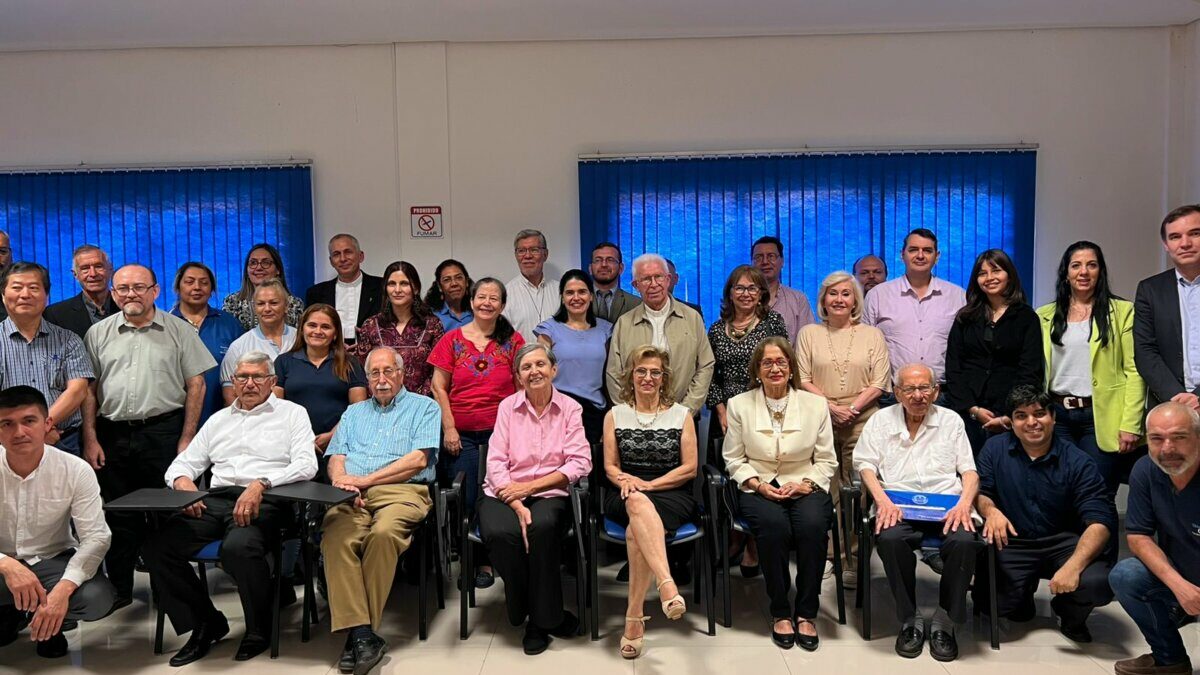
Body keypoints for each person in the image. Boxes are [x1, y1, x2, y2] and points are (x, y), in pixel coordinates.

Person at [143, 351, 317, 666]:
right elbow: (183, 464)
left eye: (257, 377)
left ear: (272, 381)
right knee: (157, 547)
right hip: (216, 498)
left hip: (268, 499)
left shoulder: (292, 414)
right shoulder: (219, 420)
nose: (249, 384)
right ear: (233, 382)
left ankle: (259, 629)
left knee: (239, 547)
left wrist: (260, 484)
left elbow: (307, 464)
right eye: (242, 377)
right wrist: (183, 483)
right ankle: (205, 622)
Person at [82, 264, 216, 608]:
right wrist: (91, 438)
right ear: (113, 294)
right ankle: (121, 592)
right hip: (112, 433)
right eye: (123, 289)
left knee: (167, 513)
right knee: (117, 515)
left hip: (164, 431)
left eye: (139, 287)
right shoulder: (98, 333)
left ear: (155, 291)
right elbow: (90, 391)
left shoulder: (180, 330)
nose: (131, 295)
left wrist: (187, 439)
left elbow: (196, 385)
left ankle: (168, 590)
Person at [321, 347, 441, 675]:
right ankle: (365, 637)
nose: (382, 379)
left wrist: (367, 479)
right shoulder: (354, 413)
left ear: (402, 374)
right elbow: (336, 456)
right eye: (374, 373)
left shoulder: (425, 407)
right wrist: (343, 481)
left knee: (383, 534)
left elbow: (418, 460)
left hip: (403, 492)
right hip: (352, 493)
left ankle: (358, 633)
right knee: (336, 537)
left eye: (388, 371)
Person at [852, 363, 984, 662]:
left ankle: (944, 620)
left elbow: (970, 471)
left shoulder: (951, 421)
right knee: (889, 539)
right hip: (896, 506)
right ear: (897, 392)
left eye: (925, 388)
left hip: (946, 507)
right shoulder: (880, 420)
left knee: (964, 541)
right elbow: (865, 466)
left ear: (936, 391)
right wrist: (882, 500)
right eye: (909, 389)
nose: (918, 395)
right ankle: (910, 618)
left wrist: (965, 504)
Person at [974, 386, 1116, 643]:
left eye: (1039, 414)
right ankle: (1021, 596)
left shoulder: (1078, 461)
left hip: (1062, 541)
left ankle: (1068, 612)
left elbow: (1100, 521)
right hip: (1012, 539)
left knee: (1098, 582)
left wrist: (1073, 566)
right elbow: (981, 491)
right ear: (1011, 421)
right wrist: (991, 511)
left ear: (1053, 417)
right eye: (1021, 415)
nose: (1031, 422)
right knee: (995, 605)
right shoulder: (993, 450)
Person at [723, 337, 837, 651]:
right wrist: (758, 485)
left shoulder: (815, 404)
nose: (775, 368)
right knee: (773, 528)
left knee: (813, 527)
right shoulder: (739, 404)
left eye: (781, 362)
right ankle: (780, 610)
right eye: (767, 363)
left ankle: (807, 612)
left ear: (791, 368)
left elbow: (827, 459)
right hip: (759, 484)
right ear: (757, 370)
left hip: (804, 481)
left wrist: (807, 484)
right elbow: (733, 459)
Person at [478, 344, 590, 655]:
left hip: (549, 492)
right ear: (518, 376)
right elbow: (496, 461)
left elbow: (579, 463)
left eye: (541, 364)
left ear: (554, 370)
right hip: (503, 491)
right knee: (502, 533)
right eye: (526, 367)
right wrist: (515, 502)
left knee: (543, 527)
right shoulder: (507, 407)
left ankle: (538, 622)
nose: (534, 371)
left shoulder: (570, 408)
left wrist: (529, 490)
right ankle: (541, 611)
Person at [0, 386, 114, 659]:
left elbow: (96, 537)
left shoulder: (75, 470)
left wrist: (62, 591)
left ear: (47, 424)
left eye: (29, 421)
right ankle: (15, 613)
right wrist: (6, 564)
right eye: (7, 424)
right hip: (2, 566)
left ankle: (52, 621)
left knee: (96, 597)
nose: (19, 432)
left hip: (51, 562)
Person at [428, 277, 525, 588]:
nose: (486, 302)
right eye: (481, 297)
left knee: (497, 496)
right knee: (467, 499)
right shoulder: (452, 340)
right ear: (471, 302)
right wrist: (450, 428)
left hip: (503, 435)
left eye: (493, 298)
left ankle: (499, 559)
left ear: (502, 305)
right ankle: (474, 562)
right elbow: (437, 386)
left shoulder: (513, 341)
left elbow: (524, 386)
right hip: (464, 435)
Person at [795, 271, 890, 587]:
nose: (839, 299)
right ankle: (828, 554)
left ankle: (854, 556)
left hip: (863, 418)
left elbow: (880, 381)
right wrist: (832, 408)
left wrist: (851, 409)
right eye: (832, 293)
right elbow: (803, 378)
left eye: (846, 294)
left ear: (855, 300)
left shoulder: (872, 335)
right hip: (819, 418)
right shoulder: (809, 333)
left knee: (859, 490)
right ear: (823, 299)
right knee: (824, 487)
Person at [604, 346, 697, 659]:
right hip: (624, 490)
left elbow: (690, 468)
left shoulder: (681, 415)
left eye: (655, 372)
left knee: (635, 531)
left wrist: (652, 484)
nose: (647, 377)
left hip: (671, 492)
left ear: (664, 378)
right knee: (636, 503)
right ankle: (666, 585)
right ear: (631, 376)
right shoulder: (615, 414)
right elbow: (610, 467)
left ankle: (633, 618)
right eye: (641, 371)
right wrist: (628, 482)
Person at [1037, 241, 1146, 497]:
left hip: (1099, 420)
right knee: (1059, 494)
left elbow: (1135, 371)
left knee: (1096, 495)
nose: (1083, 272)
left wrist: (1131, 424)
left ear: (1100, 271)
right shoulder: (1044, 315)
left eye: (1091, 265)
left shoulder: (1123, 312)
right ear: (1066, 273)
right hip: (1057, 418)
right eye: (1076, 265)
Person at [1110, 402, 1200, 675]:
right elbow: (1138, 536)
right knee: (1127, 575)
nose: (1167, 449)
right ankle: (1169, 659)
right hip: (1184, 575)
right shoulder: (1146, 470)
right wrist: (1180, 587)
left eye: (1179, 437)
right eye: (1157, 439)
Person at [945, 249, 1044, 453]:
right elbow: (954, 366)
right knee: (969, 475)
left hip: (1010, 415)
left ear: (1009, 275)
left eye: (996, 271)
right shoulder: (965, 317)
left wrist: (1011, 413)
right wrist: (972, 409)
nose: (989, 278)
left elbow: (1030, 370)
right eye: (982, 273)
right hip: (968, 413)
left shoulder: (1026, 317)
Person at [0, 263, 94, 456]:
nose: (25, 294)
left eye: (34, 288)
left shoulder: (69, 340)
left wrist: (41, 427)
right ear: (3, 295)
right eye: (17, 287)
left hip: (61, 440)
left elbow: (77, 390)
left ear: (46, 296)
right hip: (5, 441)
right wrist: (30, 431)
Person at [607, 254, 714, 416]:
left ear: (668, 279)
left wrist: (686, 410)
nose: (654, 284)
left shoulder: (692, 318)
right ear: (636, 285)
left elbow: (705, 366)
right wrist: (630, 413)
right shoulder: (624, 323)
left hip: (683, 415)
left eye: (658, 277)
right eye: (646, 279)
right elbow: (614, 373)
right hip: (635, 418)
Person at [862, 228, 966, 388]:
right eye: (913, 250)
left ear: (937, 256)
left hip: (943, 392)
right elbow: (864, 348)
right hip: (892, 392)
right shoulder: (877, 295)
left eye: (927, 250)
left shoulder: (958, 296)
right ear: (902, 254)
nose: (920, 255)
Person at [274, 304, 368, 463]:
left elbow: (359, 409)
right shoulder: (283, 362)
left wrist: (333, 435)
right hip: (293, 445)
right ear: (302, 329)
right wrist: (303, 439)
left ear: (336, 334)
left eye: (325, 327)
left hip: (340, 447)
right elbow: (276, 407)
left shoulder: (350, 363)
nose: (317, 331)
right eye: (312, 325)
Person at [707, 265, 788, 436]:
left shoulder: (772, 323)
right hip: (727, 412)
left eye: (752, 288)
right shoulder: (716, 329)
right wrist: (722, 412)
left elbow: (784, 365)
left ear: (761, 294)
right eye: (740, 288)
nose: (746, 294)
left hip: (765, 406)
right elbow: (709, 373)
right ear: (730, 293)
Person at [534, 269, 613, 445]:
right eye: (569, 293)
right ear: (562, 297)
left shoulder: (606, 330)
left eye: (582, 292)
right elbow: (539, 375)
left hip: (594, 412)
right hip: (557, 410)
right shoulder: (548, 330)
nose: (576, 297)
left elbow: (610, 375)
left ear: (591, 296)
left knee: (591, 469)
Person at [1135, 204, 1200, 411]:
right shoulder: (1149, 289)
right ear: (1165, 244)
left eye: (1195, 233)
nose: (1185, 243)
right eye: (1175, 237)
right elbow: (1145, 351)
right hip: (1170, 407)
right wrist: (1177, 397)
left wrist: (1198, 398)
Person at [351, 261, 444, 397]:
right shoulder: (371, 325)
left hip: (422, 406)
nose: (397, 290)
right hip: (380, 405)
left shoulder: (432, 325)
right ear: (385, 289)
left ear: (416, 288)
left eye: (404, 284)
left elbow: (438, 371)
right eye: (392, 284)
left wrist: (415, 401)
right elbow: (362, 371)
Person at [169, 262, 245, 426]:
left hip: (222, 418)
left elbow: (244, 372)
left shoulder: (229, 324)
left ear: (211, 290)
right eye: (189, 282)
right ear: (178, 288)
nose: (197, 287)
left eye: (204, 283)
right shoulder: (166, 324)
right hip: (173, 422)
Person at [220, 278, 297, 405]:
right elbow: (230, 394)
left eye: (274, 303)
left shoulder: (301, 339)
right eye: (261, 304)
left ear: (286, 306)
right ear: (254, 308)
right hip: (255, 420)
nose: (267, 309)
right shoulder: (239, 346)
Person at [303, 234, 382, 346]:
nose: (343, 259)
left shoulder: (382, 287)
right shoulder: (315, 293)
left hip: (373, 355)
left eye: (348, 252)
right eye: (336, 254)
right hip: (329, 355)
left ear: (361, 256)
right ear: (331, 261)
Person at [222, 243, 304, 330]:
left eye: (266, 263)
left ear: (278, 270)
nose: (258, 268)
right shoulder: (232, 302)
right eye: (253, 263)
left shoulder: (295, 304)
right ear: (247, 270)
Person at [44, 244, 119, 339]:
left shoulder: (127, 307)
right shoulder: (54, 314)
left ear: (110, 269)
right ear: (75, 274)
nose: (93, 274)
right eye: (85, 268)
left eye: (99, 266)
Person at [751, 236, 815, 343]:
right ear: (752, 263)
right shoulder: (741, 299)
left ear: (782, 262)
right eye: (759, 257)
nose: (765, 261)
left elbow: (808, 343)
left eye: (771, 256)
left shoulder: (798, 300)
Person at [503, 229, 559, 343]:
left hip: (557, 360)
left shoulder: (561, 291)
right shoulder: (505, 294)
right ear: (516, 255)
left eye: (534, 250)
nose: (527, 256)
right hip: (521, 360)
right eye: (521, 251)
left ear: (545, 254)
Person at [589, 242, 641, 322]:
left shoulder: (636, 304)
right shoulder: (578, 301)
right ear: (590, 268)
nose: (604, 264)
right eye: (598, 260)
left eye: (610, 260)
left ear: (621, 268)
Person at [425, 259, 474, 331]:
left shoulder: (477, 312)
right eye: (447, 280)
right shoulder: (430, 315)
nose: (454, 284)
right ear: (439, 286)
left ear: (466, 282)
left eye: (459, 278)